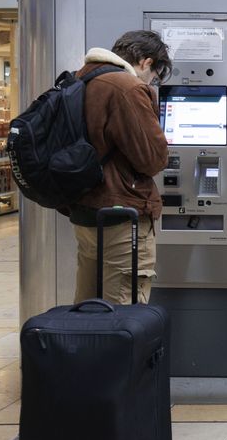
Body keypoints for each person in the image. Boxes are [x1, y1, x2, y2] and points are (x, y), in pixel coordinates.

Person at [66, 30, 171, 305]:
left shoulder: (82, 78)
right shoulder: (127, 87)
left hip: (86, 213)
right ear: (146, 62)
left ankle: (86, 350)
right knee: (123, 312)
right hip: (122, 217)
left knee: (88, 306)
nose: (152, 82)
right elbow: (152, 159)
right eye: (156, 76)